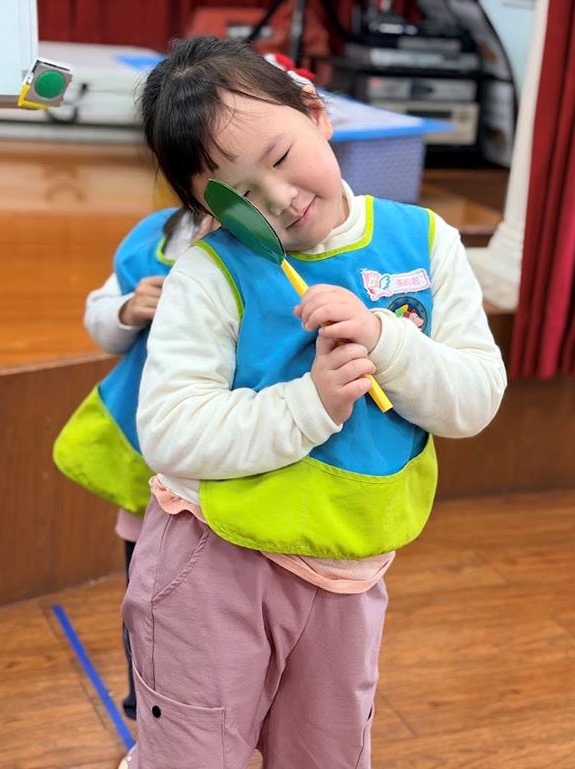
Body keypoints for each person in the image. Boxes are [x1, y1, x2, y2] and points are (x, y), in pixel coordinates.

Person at [121, 36, 507, 769]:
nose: (280, 199)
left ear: (315, 112)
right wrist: (311, 404)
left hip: (349, 566)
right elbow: (169, 431)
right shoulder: (209, 273)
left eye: (279, 156)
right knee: (192, 756)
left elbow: (474, 400)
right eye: (238, 196)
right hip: (215, 560)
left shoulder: (425, 241)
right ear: (203, 210)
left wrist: (387, 340)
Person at [54, 204, 210, 769]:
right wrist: (126, 309)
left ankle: (204, 716)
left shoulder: (270, 240)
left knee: (207, 619)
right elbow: (100, 316)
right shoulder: (155, 236)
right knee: (145, 604)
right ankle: (146, 707)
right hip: (152, 477)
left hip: (225, 479)